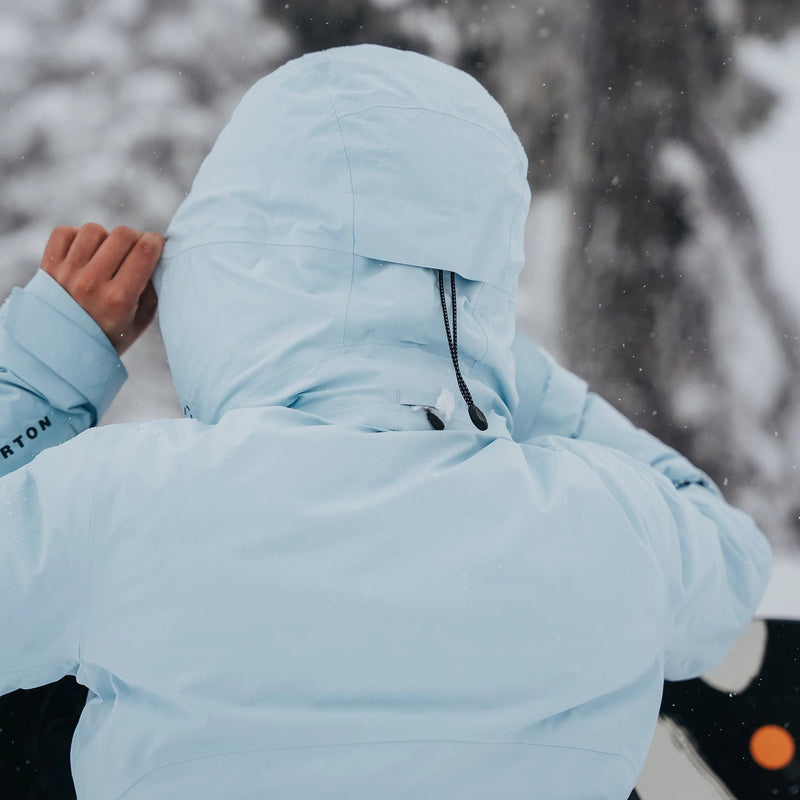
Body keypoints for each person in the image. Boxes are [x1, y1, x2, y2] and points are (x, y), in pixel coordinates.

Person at [0, 44, 771, 800]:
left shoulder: (119, 501)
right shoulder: (616, 518)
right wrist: (490, 359)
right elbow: (731, 562)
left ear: (219, 277)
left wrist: (40, 371)